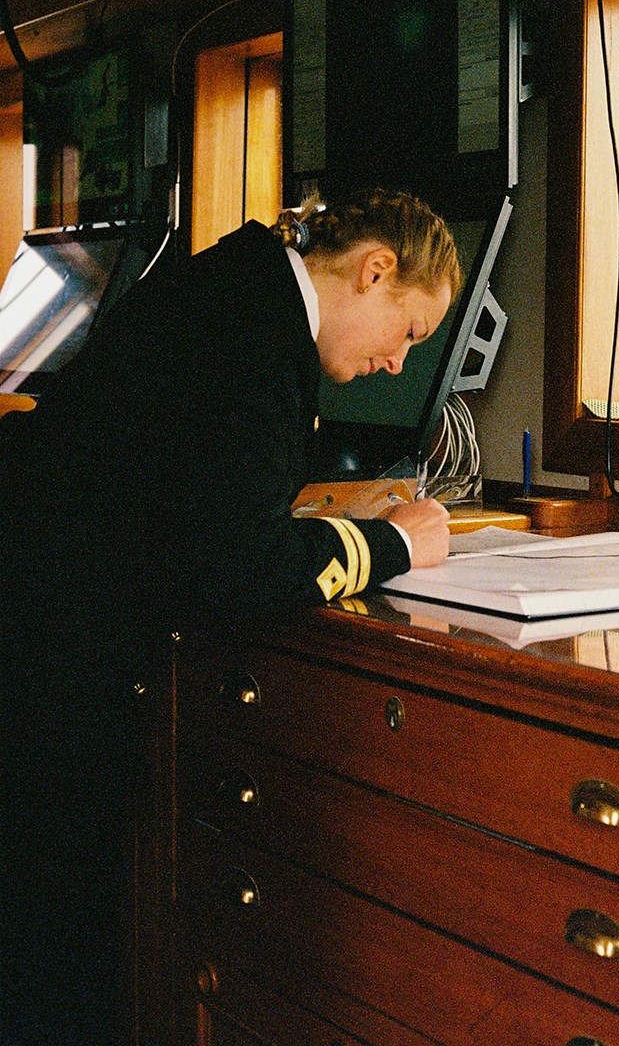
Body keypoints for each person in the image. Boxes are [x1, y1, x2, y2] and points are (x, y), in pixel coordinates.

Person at [0, 187, 460, 1044]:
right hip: (52, 664)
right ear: (374, 270)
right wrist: (392, 546)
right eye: (409, 332)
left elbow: (193, 488)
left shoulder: (234, 289)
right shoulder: (253, 344)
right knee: (52, 951)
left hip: (39, 612)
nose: (401, 363)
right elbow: (236, 569)